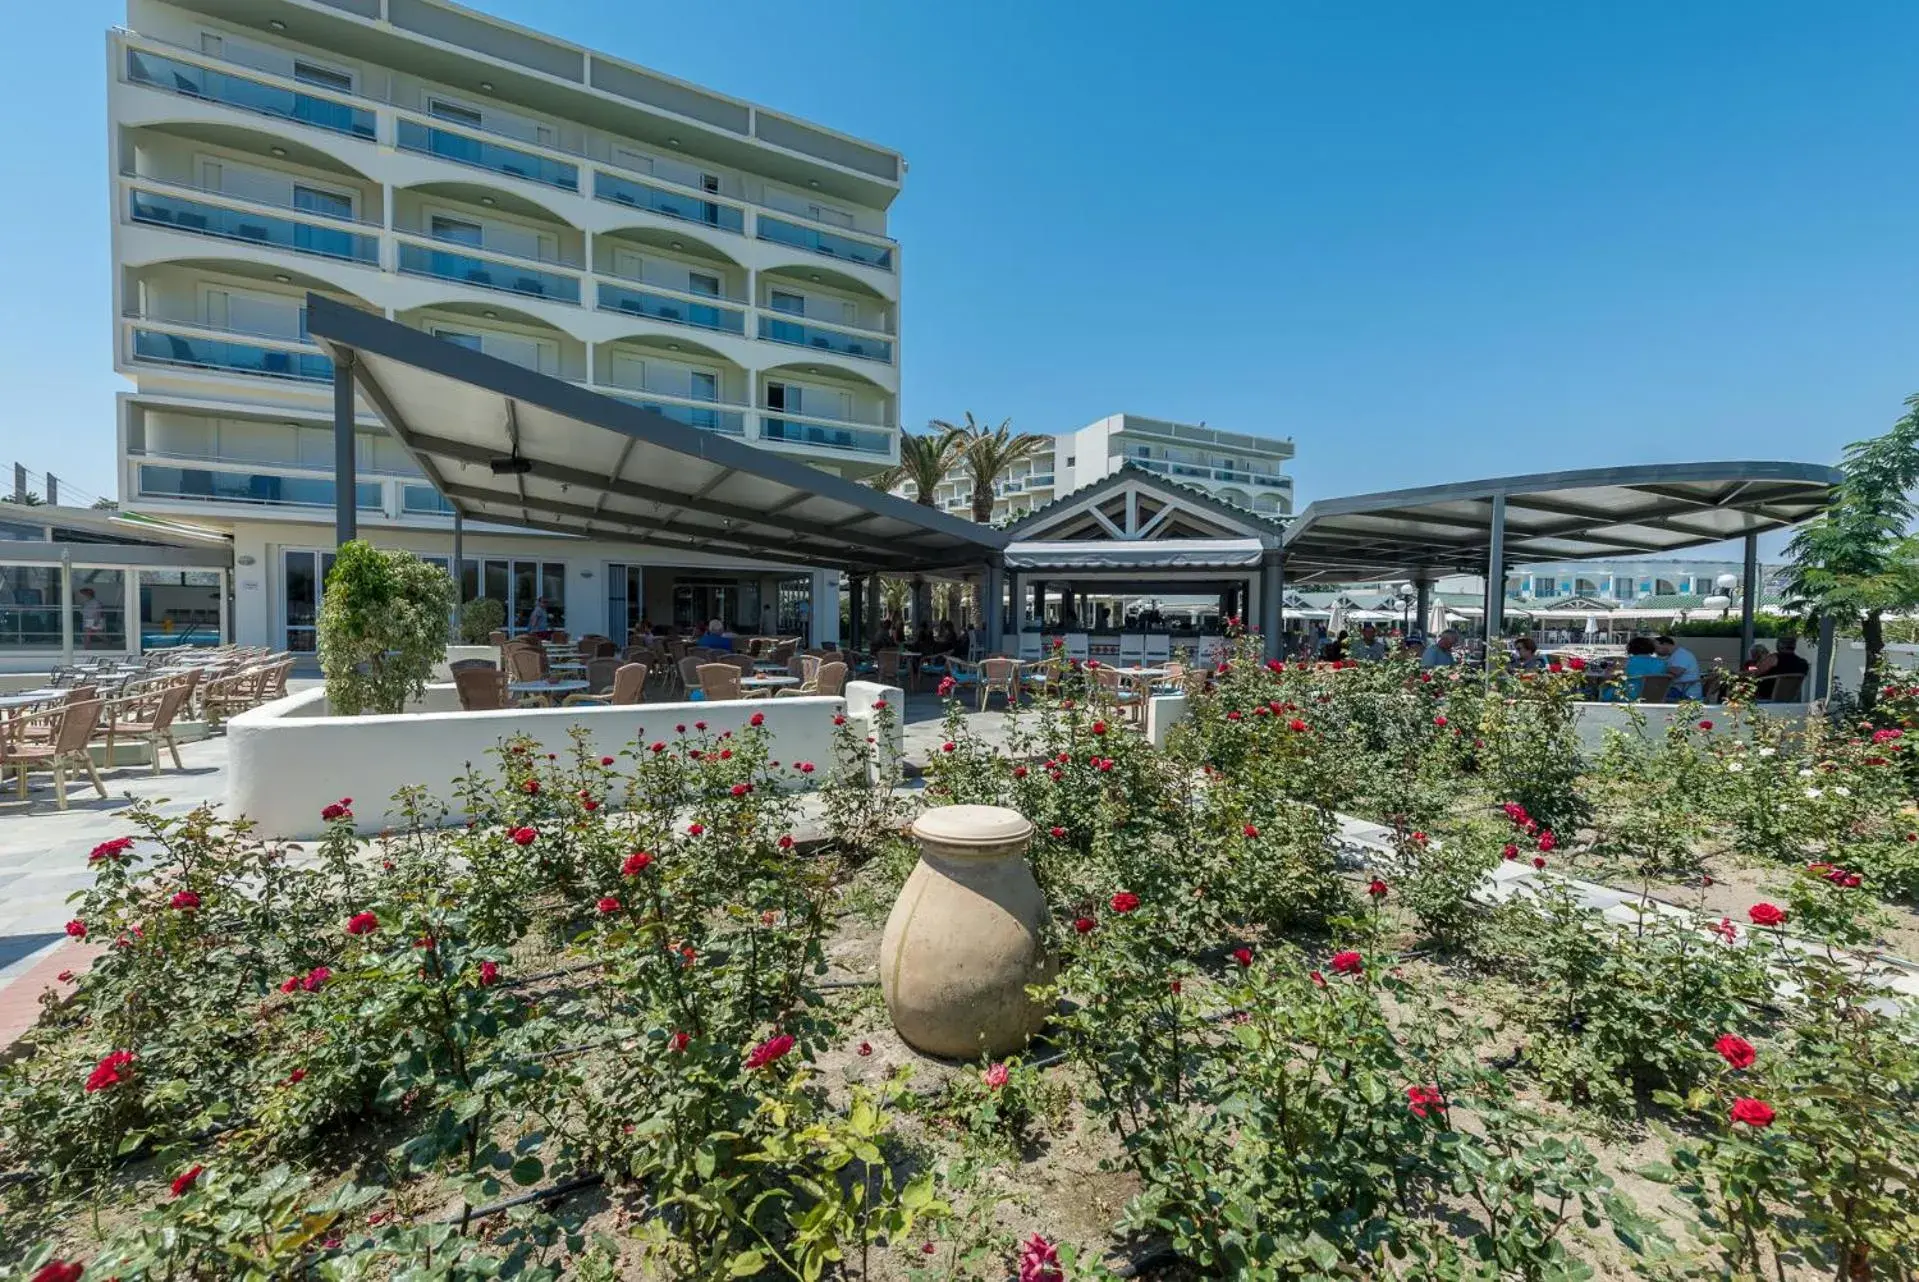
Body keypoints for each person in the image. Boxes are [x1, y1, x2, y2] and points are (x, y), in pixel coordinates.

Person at [1758, 635, 1809, 700]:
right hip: (1790, 697)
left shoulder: (1774, 658)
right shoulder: (1803, 663)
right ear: (1794, 646)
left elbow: (1755, 673)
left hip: (1764, 696)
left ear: (1779, 645)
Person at [1615, 635, 1665, 700]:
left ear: (1631, 648)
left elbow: (1611, 675)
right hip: (1655, 696)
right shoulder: (1662, 663)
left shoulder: (1626, 662)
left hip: (1628, 695)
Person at [1653, 634, 1702, 700]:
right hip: (1680, 688)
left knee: (1651, 695)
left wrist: (1660, 667)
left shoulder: (1681, 655)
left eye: (1656, 648)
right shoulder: (1674, 655)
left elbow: (1677, 672)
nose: (1655, 651)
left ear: (1666, 644)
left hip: (1686, 692)